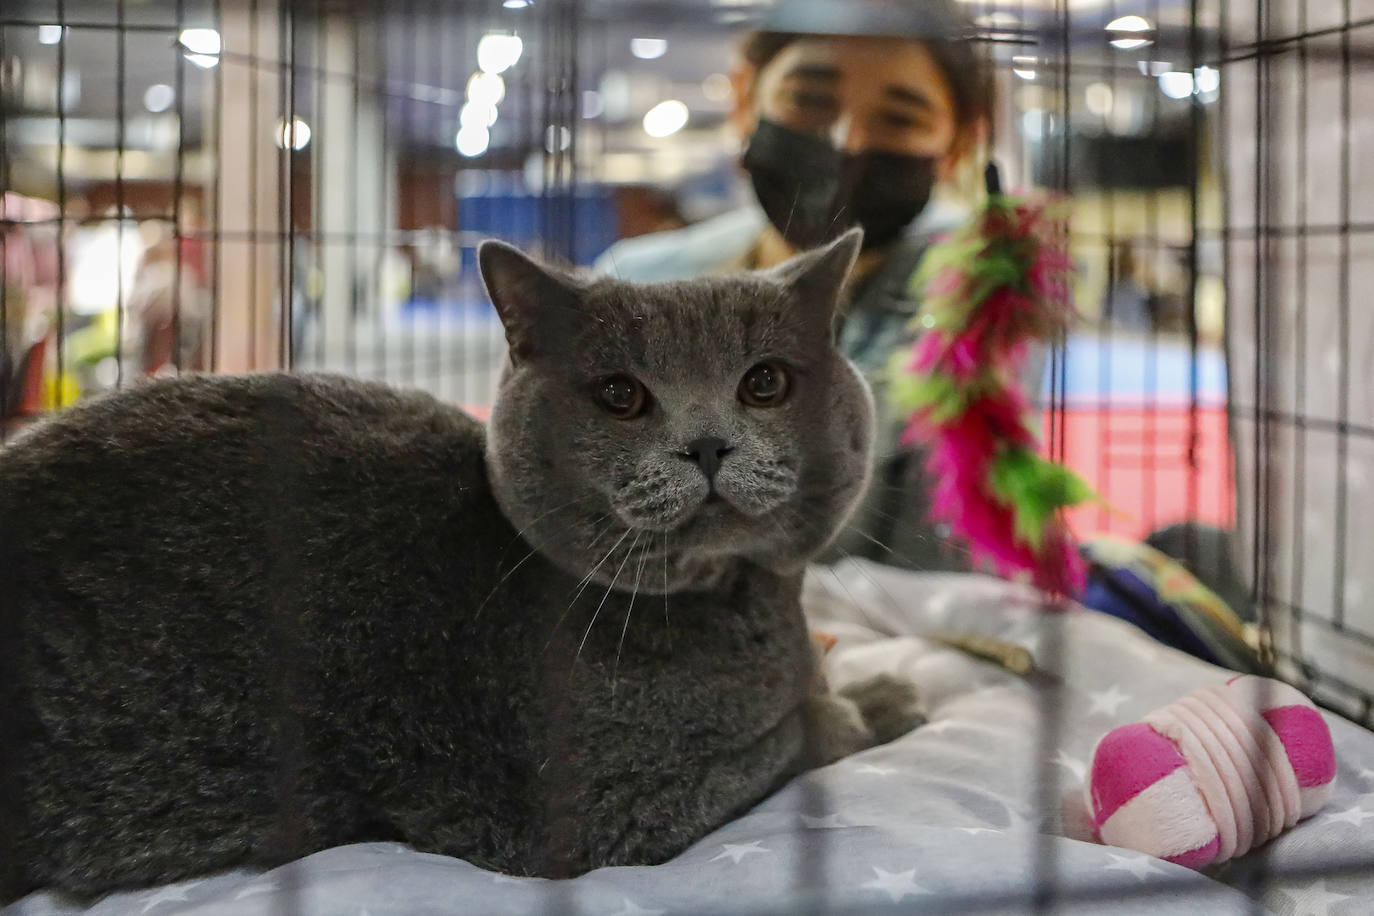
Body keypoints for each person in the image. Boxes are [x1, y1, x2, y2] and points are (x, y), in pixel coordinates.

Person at [595, 0, 994, 571]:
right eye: (810, 100)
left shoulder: (976, 302)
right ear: (744, 97)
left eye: (901, 118)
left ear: (958, 145)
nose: (846, 142)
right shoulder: (630, 281)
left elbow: (940, 570)